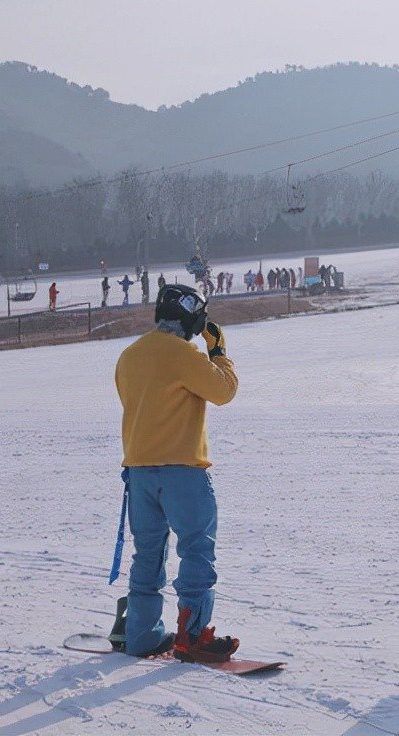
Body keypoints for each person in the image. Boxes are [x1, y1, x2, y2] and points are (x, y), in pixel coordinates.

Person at [113, 283, 240, 663]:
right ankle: (193, 636)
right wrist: (217, 351)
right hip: (182, 470)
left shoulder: (129, 355)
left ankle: (142, 635)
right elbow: (224, 392)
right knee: (197, 550)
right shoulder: (183, 354)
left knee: (147, 553)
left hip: (138, 471)